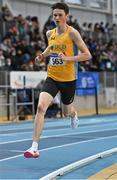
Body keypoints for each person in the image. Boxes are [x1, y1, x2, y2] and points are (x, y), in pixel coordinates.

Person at [24, 2, 91, 158]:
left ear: (66, 16)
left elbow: (87, 55)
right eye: (55, 15)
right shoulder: (50, 33)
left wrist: (68, 58)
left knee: (67, 111)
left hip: (68, 80)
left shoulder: (73, 33)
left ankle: (74, 115)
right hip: (52, 77)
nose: (57, 18)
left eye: (60, 15)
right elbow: (51, 47)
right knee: (41, 107)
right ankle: (34, 147)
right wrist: (43, 55)